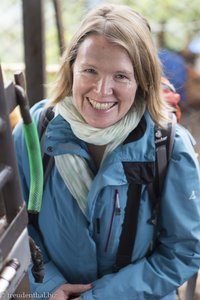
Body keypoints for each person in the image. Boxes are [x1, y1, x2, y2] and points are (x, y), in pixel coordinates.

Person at [13, 4, 200, 300]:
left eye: (121, 76)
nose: (101, 90)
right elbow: (20, 227)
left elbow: (183, 251)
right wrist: (47, 287)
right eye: (90, 70)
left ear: (142, 81)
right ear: (71, 68)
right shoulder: (34, 133)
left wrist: (99, 297)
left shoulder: (169, 146)